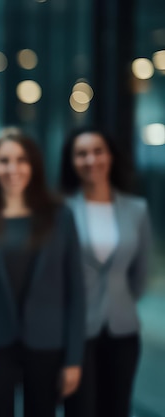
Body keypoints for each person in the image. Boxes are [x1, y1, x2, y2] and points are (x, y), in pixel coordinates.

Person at [0, 128, 85, 417]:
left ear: (34, 166)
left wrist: (73, 360)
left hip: (46, 343)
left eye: (21, 160)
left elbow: (76, 292)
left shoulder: (60, 216)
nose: (12, 169)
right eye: (4, 161)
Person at [60, 127, 151, 417]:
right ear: (72, 161)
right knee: (80, 410)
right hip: (75, 332)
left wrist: (118, 298)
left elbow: (140, 274)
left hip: (123, 328)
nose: (91, 160)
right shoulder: (61, 210)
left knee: (118, 408)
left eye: (98, 151)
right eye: (81, 154)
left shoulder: (137, 209)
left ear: (110, 156)